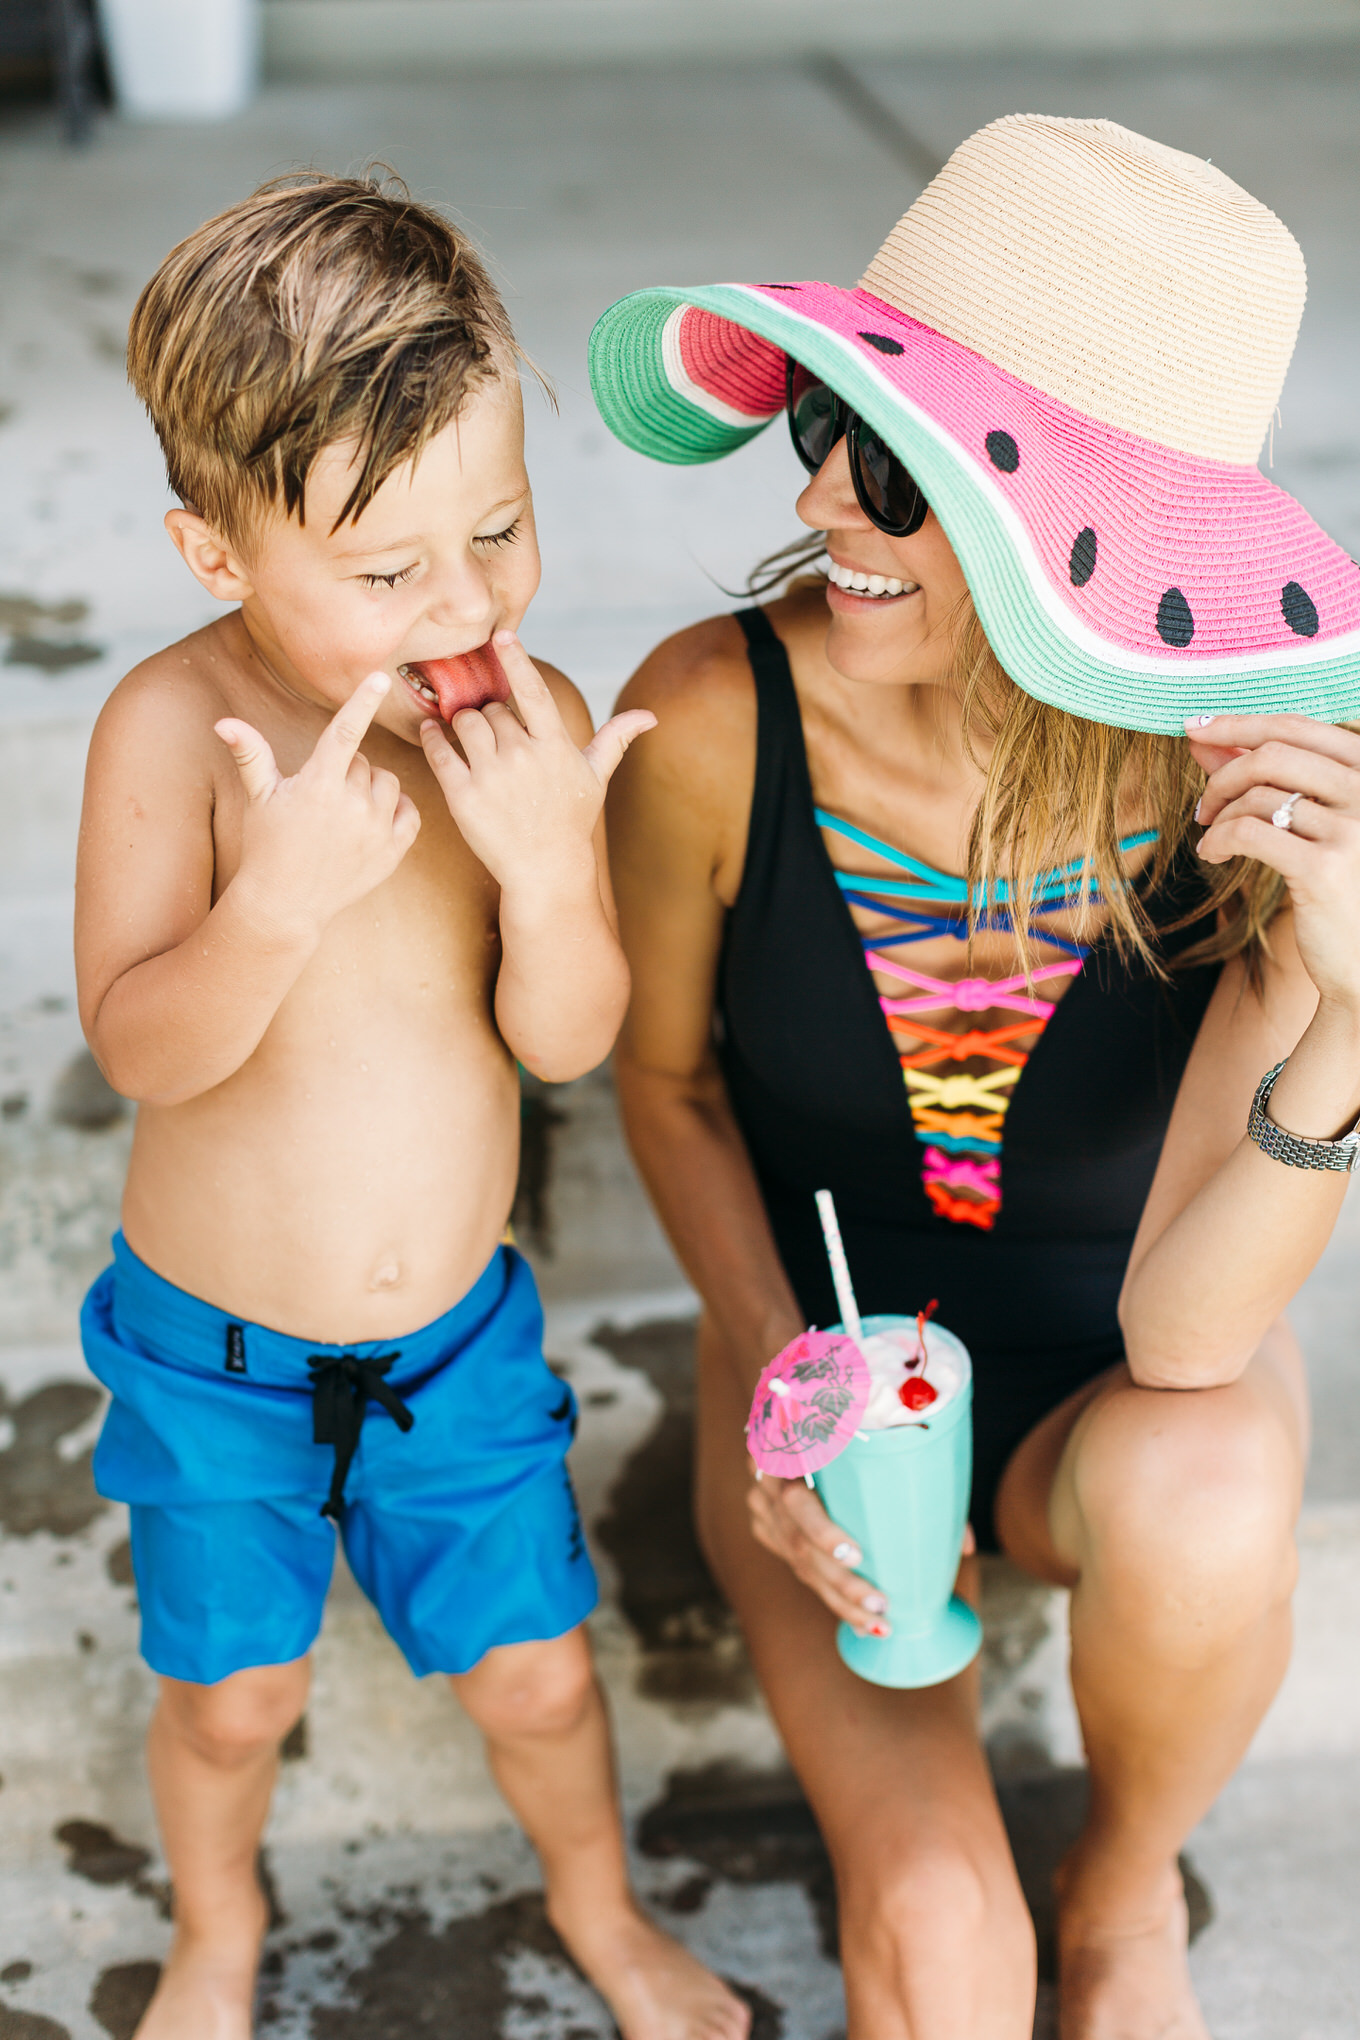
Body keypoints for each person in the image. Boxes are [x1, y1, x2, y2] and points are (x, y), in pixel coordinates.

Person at [592, 116, 1360, 2040]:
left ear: (1069, 535)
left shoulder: (1243, 802)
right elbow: (668, 1089)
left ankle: (1123, 1892)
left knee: (1202, 1478)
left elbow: (1186, 1340)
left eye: (910, 477)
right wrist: (784, 1393)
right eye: (827, 435)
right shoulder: (711, 716)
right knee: (939, 1951)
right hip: (822, 1397)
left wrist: (1350, 1016)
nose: (838, 509)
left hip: (1104, 1410)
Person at [76, 172, 748, 2040]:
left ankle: (602, 1911)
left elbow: (567, 1042)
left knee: (536, 1677)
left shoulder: (512, 725)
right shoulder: (168, 735)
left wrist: (548, 875)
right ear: (217, 552)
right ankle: (216, 1936)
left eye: (503, 531)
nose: (465, 605)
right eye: (389, 574)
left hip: (451, 1353)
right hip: (213, 1364)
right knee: (232, 1698)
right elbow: (143, 1050)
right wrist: (271, 904)